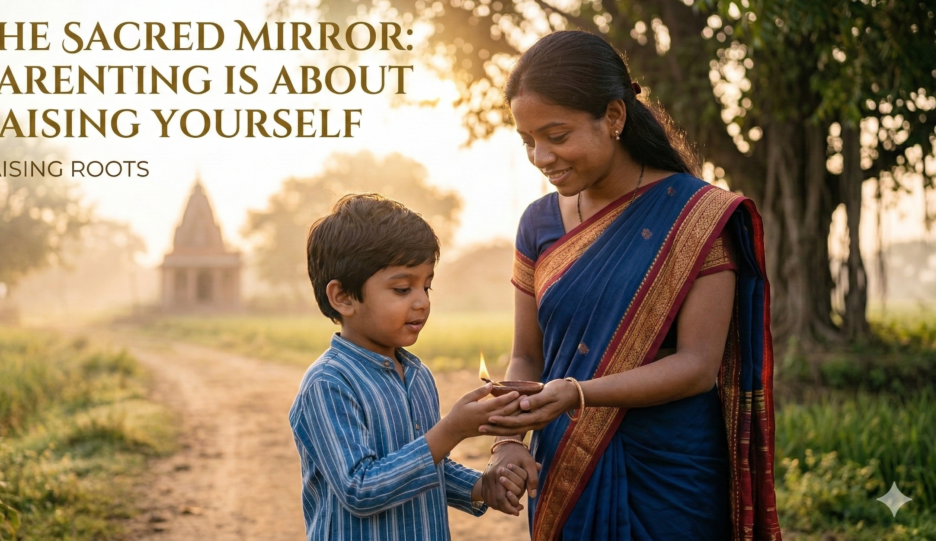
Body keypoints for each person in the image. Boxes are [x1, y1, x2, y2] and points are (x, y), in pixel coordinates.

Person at [479, 30, 782, 540]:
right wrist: (508, 441)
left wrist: (578, 395)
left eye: (557, 135)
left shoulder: (697, 216)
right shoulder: (537, 224)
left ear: (614, 117)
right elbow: (526, 358)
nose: (541, 156)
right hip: (569, 465)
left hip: (670, 472)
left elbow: (696, 366)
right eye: (527, 140)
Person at [290, 193, 528, 541]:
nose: (422, 301)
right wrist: (452, 430)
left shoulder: (417, 376)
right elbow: (361, 488)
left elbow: (427, 465)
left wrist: (481, 487)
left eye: (426, 285)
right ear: (342, 297)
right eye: (402, 288)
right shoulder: (329, 383)